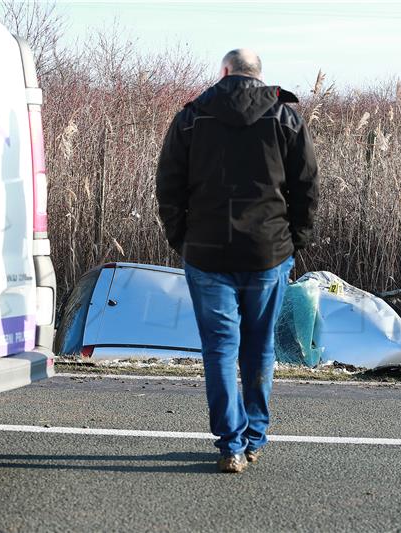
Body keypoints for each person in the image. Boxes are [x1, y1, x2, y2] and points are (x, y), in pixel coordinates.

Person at [155, 49, 319, 473]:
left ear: (224, 73)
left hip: (207, 254)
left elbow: (168, 187)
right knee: (259, 347)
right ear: (259, 76)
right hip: (267, 253)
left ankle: (230, 445)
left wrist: (183, 241)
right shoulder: (284, 117)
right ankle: (253, 439)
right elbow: (306, 188)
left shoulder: (191, 117)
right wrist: (292, 242)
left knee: (220, 350)